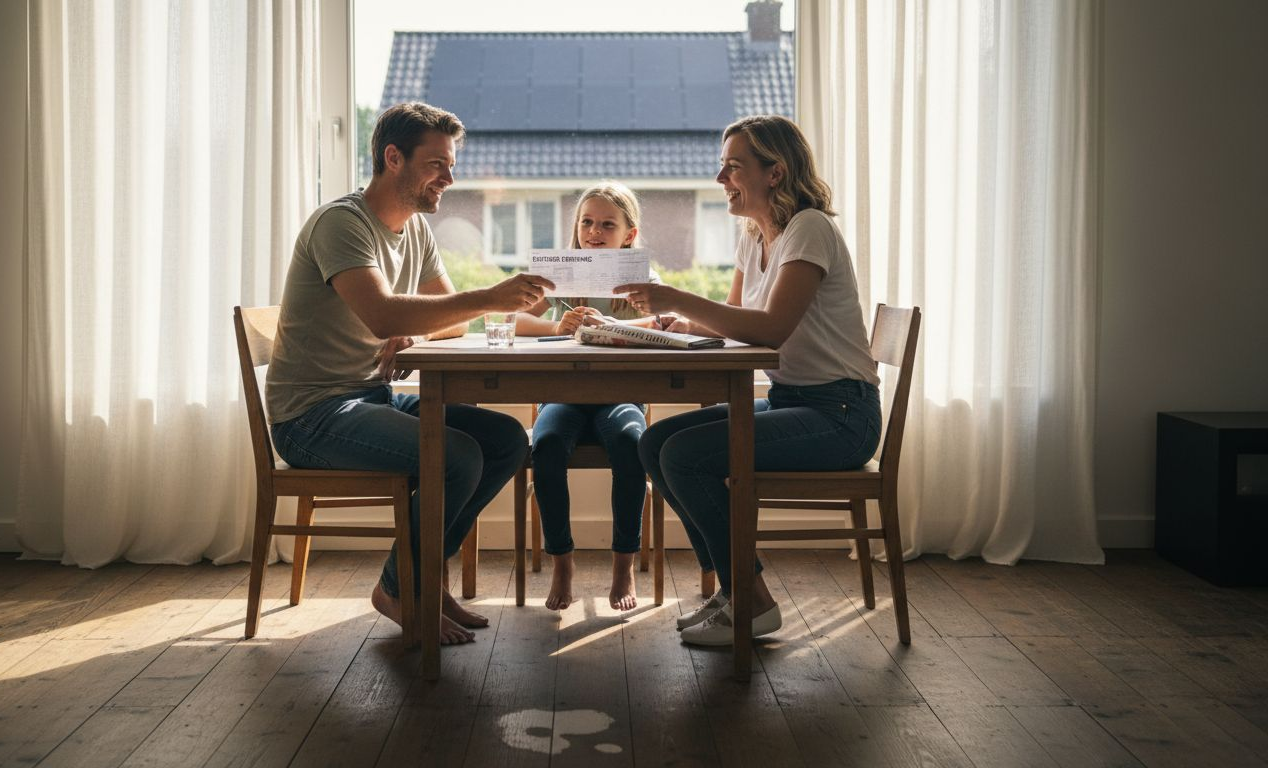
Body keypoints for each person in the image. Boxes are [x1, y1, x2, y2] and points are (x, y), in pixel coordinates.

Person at [265, 102, 556, 645]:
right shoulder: (342, 224)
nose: (450, 176)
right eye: (437, 164)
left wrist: (421, 331)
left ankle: (421, 576)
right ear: (393, 158)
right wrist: (483, 298)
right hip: (310, 416)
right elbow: (383, 313)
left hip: (368, 398)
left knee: (507, 441)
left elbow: (446, 315)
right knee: (457, 455)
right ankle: (401, 588)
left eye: (451, 164)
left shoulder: (416, 230)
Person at [615, 115, 882, 646]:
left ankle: (752, 601)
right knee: (656, 443)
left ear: (775, 172)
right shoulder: (754, 237)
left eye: (733, 167)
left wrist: (676, 298)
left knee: (685, 455)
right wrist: (671, 324)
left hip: (841, 415)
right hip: (795, 402)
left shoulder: (809, 228)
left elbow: (772, 332)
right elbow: (735, 324)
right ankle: (736, 591)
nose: (720, 179)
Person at [514, 182, 665, 612]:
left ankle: (624, 565)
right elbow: (515, 320)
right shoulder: (562, 273)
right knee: (545, 447)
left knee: (630, 444)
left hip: (621, 397)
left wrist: (613, 327)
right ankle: (562, 562)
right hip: (563, 394)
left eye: (607, 224)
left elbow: (667, 323)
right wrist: (556, 326)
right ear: (576, 227)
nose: (594, 232)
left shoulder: (640, 277)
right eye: (587, 222)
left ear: (628, 235)